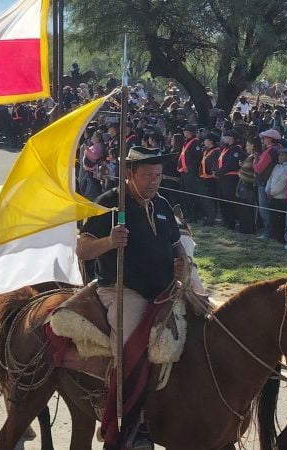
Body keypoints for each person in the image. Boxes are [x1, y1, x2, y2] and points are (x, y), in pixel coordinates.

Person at [77, 146, 186, 448]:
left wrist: (182, 262)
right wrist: (109, 242)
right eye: (148, 175)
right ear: (129, 174)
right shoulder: (110, 204)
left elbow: (177, 246)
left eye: (159, 176)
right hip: (122, 290)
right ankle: (127, 421)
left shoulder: (162, 204)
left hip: (165, 290)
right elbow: (83, 249)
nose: (154, 181)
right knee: (134, 346)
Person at [254, 129, 282, 239]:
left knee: (264, 209)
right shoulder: (278, 148)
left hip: (264, 182)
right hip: (273, 182)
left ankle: (267, 232)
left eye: (265, 138)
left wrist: (255, 160)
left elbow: (259, 169)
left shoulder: (270, 151)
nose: (263, 140)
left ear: (270, 139)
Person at [215, 129, 244, 230]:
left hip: (230, 178)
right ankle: (226, 220)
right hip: (222, 178)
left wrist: (218, 172)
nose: (225, 138)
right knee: (222, 200)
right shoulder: (225, 149)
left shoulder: (236, 149)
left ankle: (232, 222)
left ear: (232, 138)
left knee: (230, 201)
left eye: (227, 136)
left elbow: (230, 164)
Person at [265, 148, 287, 243]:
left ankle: (280, 238)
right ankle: (274, 235)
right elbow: (270, 178)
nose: (280, 157)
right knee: (273, 217)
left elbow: (283, 183)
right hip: (272, 196)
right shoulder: (276, 166)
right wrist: (267, 189)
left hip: (281, 197)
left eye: (282, 155)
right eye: (279, 155)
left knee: (280, 219)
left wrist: (272, 192)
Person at [176, 124, 202, 221]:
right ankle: (187, 213)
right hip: (184, 172)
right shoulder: (186, 142)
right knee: (185, 194)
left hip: (191, 173)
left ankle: (193, 215)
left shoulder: (195, 143)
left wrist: (190, 168)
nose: (184, 133)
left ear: (190, 132)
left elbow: (197, 158)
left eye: (185, 131)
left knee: (191, 194)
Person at [197, 133, 221, 225]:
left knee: (210, 199)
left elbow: (215, 163)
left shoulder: (216, 151)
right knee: (205, 199)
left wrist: (213, 171)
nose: (204, 141)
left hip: (211, 179)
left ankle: (211, 219)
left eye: (206, 140)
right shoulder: (206, 150)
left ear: (211, 141)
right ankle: (207, 216)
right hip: (204, 177)